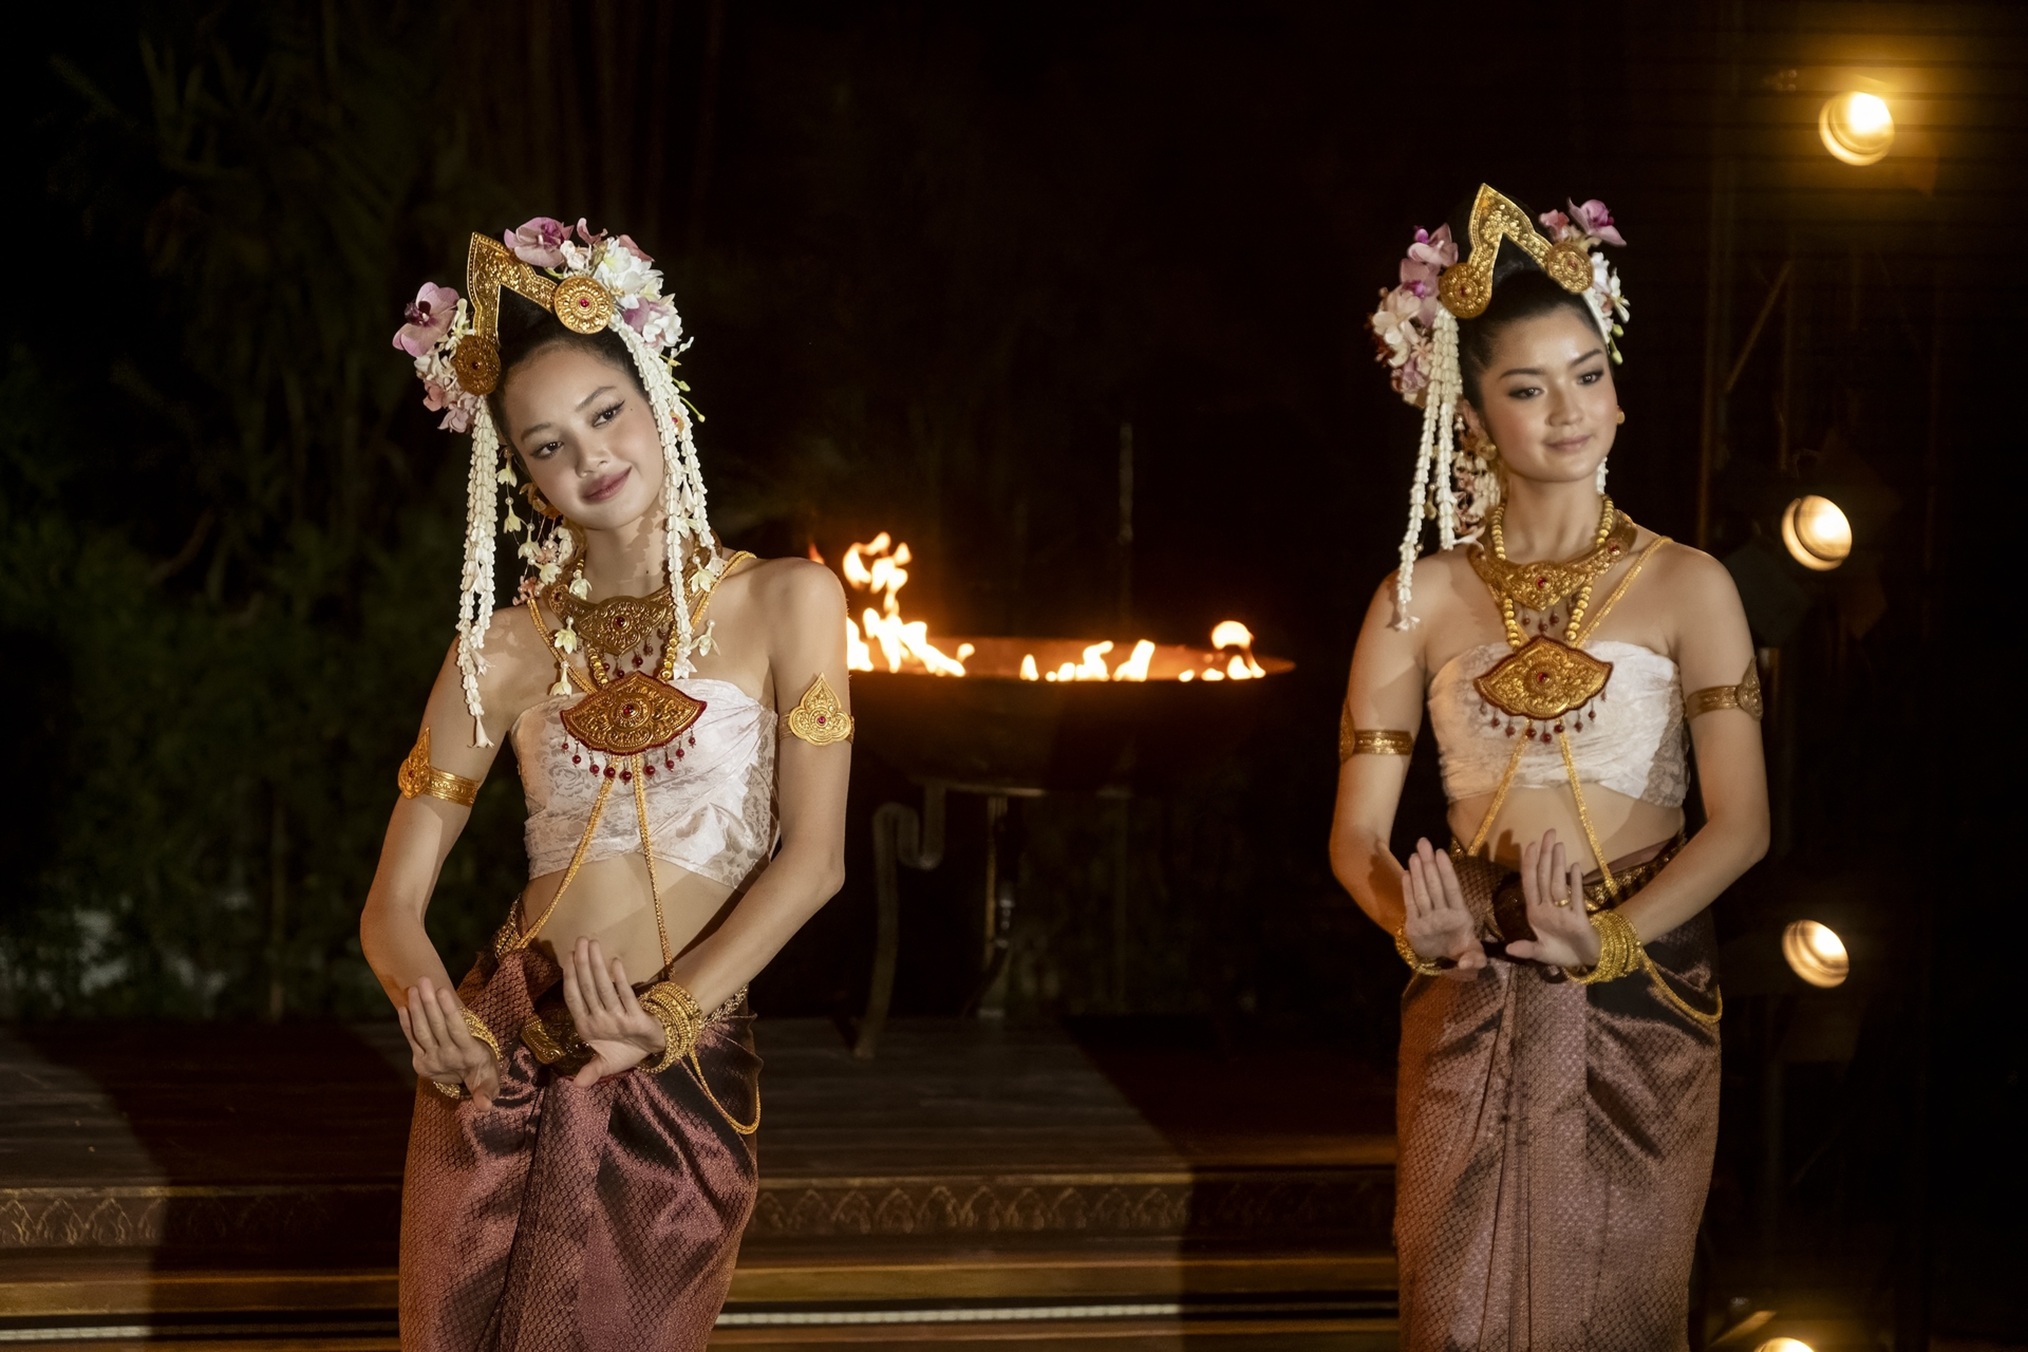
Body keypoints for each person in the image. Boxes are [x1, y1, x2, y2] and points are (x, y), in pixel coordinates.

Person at [359, 219, 853, 1351]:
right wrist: (434, 1016)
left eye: (604, 413)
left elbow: (815, 860)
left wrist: (671, 1018)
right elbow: (392, 906)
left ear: (660, 401)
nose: (588, 455)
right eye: (547, 444)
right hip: (495, 1056)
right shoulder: (500, 650)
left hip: (676, 1059)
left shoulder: (790, 602)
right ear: (524, 477)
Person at [1328, 185, 1769, 1351]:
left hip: (1644, 984)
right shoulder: (1416, 599)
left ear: (1618, 390)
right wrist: (1415, 925)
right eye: (1527, 388)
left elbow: (1742, 824)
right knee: (1452, 1308)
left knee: (1620, 1305)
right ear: (1472, 417)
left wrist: (1613, 941)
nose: (1567, 409)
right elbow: (1357, 838)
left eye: (1586, 374)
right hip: (1471, 973)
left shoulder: (1691, 585)